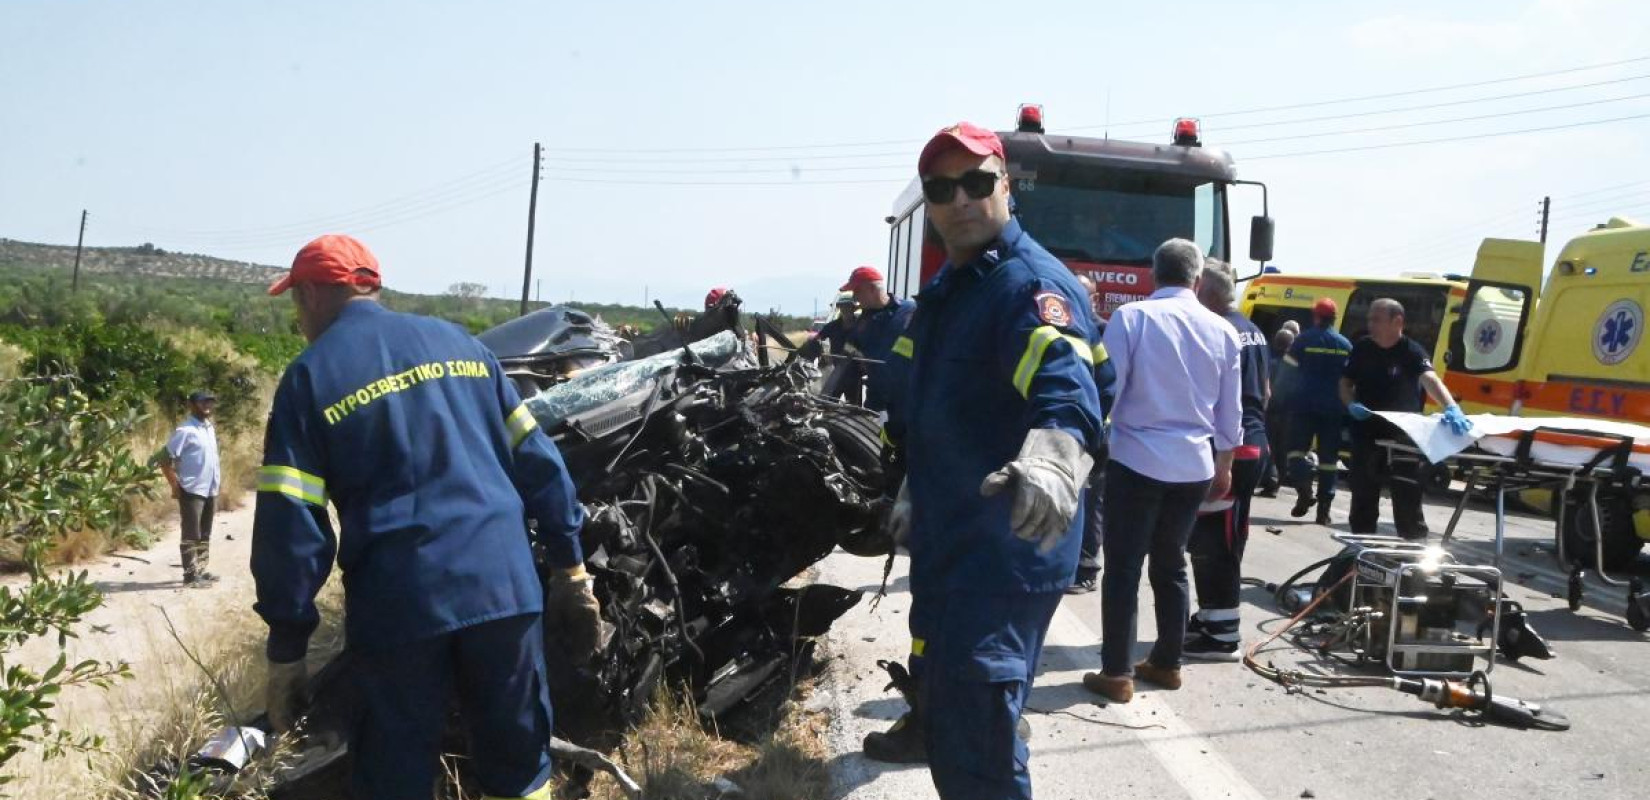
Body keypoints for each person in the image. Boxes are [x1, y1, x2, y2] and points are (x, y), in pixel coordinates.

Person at [252, 234, 598, 800]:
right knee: (519, 767)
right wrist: (571, 570)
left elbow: (290, 530)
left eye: (296, 301)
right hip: (504, 590)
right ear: (370, 285)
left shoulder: (309, 378)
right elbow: (540, 463)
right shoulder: (461, 345)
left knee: (396, 775)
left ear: (312, 294)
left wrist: (287, 652)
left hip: (400, 609)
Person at [871, 122, 1102, 798]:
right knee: (949, 721)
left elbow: (1070, 382)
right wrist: (914, 482)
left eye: (976, 183)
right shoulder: (953, 290)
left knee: (980, 744)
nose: (960, 200)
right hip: (953, 541)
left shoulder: (1026, 286)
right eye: (943, 189)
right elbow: (935, 407)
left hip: (1005, 550)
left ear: (1007, 186)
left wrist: (1057, 462)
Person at [1083, 238, 1240, 704]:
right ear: (1197, 279)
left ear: (1153, 275)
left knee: (1125, 567)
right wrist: (1224, 462)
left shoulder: (1131, 319)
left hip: (1137, 457)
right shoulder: (1222, 330)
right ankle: (1168, 663)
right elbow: (1230, 410)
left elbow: (1109, 388)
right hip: (1194, 461)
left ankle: (1117, 671)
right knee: (1172, 564)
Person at [1184, 260, 1269, 660]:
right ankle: (1212, 616)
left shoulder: (1222, 330)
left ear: (1206, 293)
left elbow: (1223, 399)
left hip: (1231, 449)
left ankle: (1221, 634)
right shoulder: (1252, 330)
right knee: (1224, 536)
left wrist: (1223, 459)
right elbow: (1264, 392)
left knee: (1214, 540)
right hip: (1249, 444)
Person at [1342, 298, 1471, 539]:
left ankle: (1412, 555)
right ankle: (1359, 551)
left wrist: (1451, 407)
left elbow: (1430, 379)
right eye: (1370, 318)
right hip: (1365, 432)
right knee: (1362, 497)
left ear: (1397, 321)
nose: (1370, 324)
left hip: (1402, 436)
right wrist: (1351, 404)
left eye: (1376, 319)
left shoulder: (1411, 351)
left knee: (1407, 495)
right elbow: (1344, 382)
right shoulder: (1362, 349)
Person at [1068, 272, 1117, 595]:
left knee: (1089, 500)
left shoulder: (1103, 331)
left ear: (1095, 299)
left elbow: (1110, 384)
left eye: (1083, 294)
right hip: (1067, 430)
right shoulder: (1064, 326)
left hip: (1096, 432)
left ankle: (1087, 567)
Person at [1284, 298, 1353, 525]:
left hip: (1303, 407)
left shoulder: (1302, 340)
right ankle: (1324, 511)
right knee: (1329, 460)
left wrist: (1280, 400)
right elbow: (1351, 380)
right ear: (1334, 317)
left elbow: (1286, 375)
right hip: (1334, 410)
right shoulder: (1345, 345)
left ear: (1315, 316)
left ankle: (1304, 489)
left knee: (1295, 451)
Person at [159, 390, 222, 588]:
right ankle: (189, 576)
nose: (207, 406)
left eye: (210, 402)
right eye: (203, 402)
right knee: (191, 534)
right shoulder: (185, 431)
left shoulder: (209, 428)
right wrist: (174, 485)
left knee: (205, 533)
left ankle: (201, 571)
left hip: (210, 488)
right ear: (192, 405)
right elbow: (164, 459)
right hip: (191, 489)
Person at [839, 266, 915, 412]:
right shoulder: (862, 321)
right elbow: (848, 348)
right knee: (879, 434)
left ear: (872, 289)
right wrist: (856, 355)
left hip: (908, 400)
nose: (855, 297)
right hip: (877, 401)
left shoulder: (910, 311)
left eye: (857, 291)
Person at [802, 291, 864, 404]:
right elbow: (817, 338)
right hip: (836, 372)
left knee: (855, 410)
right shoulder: (832, 326)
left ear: (854, 308)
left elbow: (868, 345)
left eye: (849, 306)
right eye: (843, 306)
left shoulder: (861, 326)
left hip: (854, 374)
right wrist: (821, 351)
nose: (846, 309)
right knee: (829, 405)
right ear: (839, 308)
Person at [1257, 326, 1296, 497]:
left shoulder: (1267, 362)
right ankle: (1276, 482)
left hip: (1270, 412)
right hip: (1288, 413)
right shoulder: (1294, 365)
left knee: (1269, 447)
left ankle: (1269, 480)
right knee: (1281, 449)